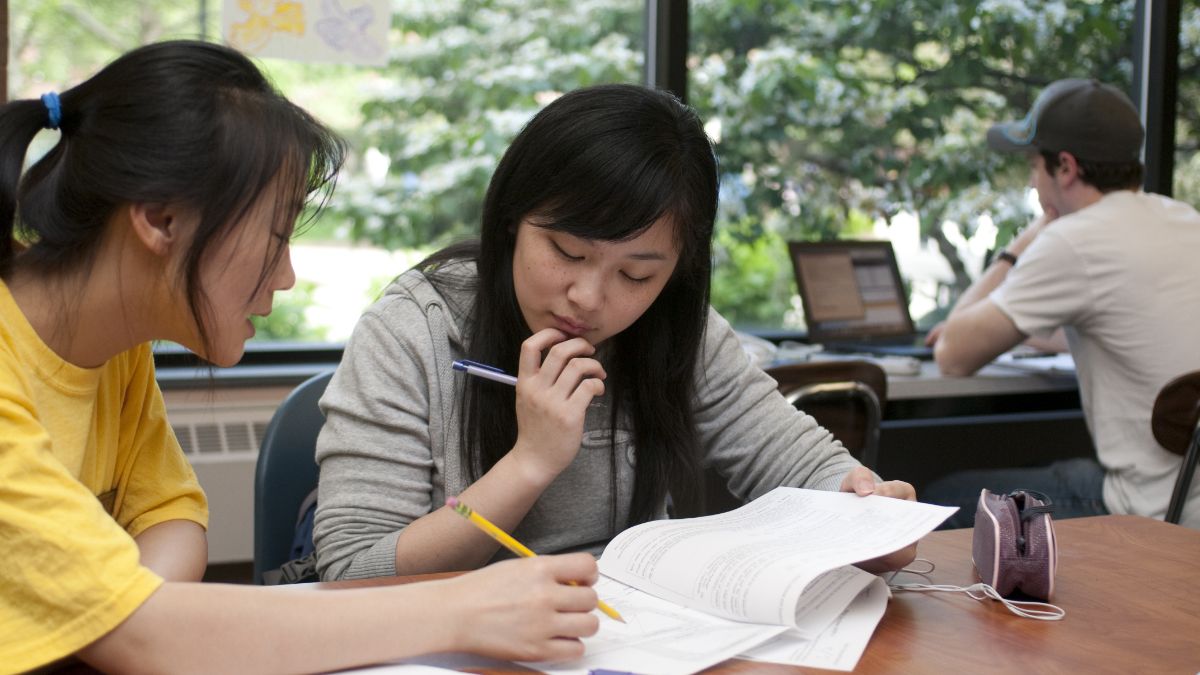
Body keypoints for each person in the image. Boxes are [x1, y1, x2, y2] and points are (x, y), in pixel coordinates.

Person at [0, 40, 603, 673]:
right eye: (278, 233)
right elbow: (143, 631)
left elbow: (168, 514)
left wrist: (129, 614)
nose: (285, 276)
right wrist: (464, 609)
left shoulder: (108, 345)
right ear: (160, 218)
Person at [313, 83, 919, 582]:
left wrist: (862, 508)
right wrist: (529, 462)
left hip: (630, 633)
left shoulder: (677, 329)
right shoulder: (414, 329)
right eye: (568, 252)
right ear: (509, 222)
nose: (589, 298)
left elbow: (795, 458)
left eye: (636, 273)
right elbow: (350, 574)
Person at [925, 78, 1200, 529]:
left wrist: (1026, 240)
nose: (1033, 186)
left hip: (1145, 511)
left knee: (940, 498)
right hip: (1192, 500)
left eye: (1034, 167)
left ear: (1066, 168)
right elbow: (1130, 330)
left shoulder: (1074, 239)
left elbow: (952, 354)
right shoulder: (1183, 219)